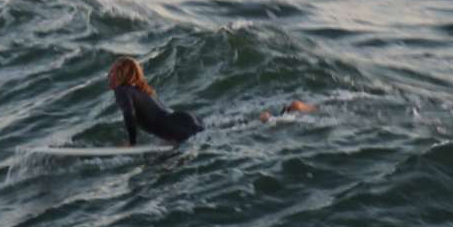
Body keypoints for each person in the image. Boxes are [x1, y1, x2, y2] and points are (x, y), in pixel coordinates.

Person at [106, 57, 314, 147]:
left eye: (112, 71)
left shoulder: (123, 91)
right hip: (181, 121)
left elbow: (129, 113)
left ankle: (274, 115)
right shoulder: (141, 90)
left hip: (179, 126)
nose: (108, 75)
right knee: (228, 128)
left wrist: (132, 143)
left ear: (122, 74)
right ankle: (286, 111)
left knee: (237, 132)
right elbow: (156, 118)